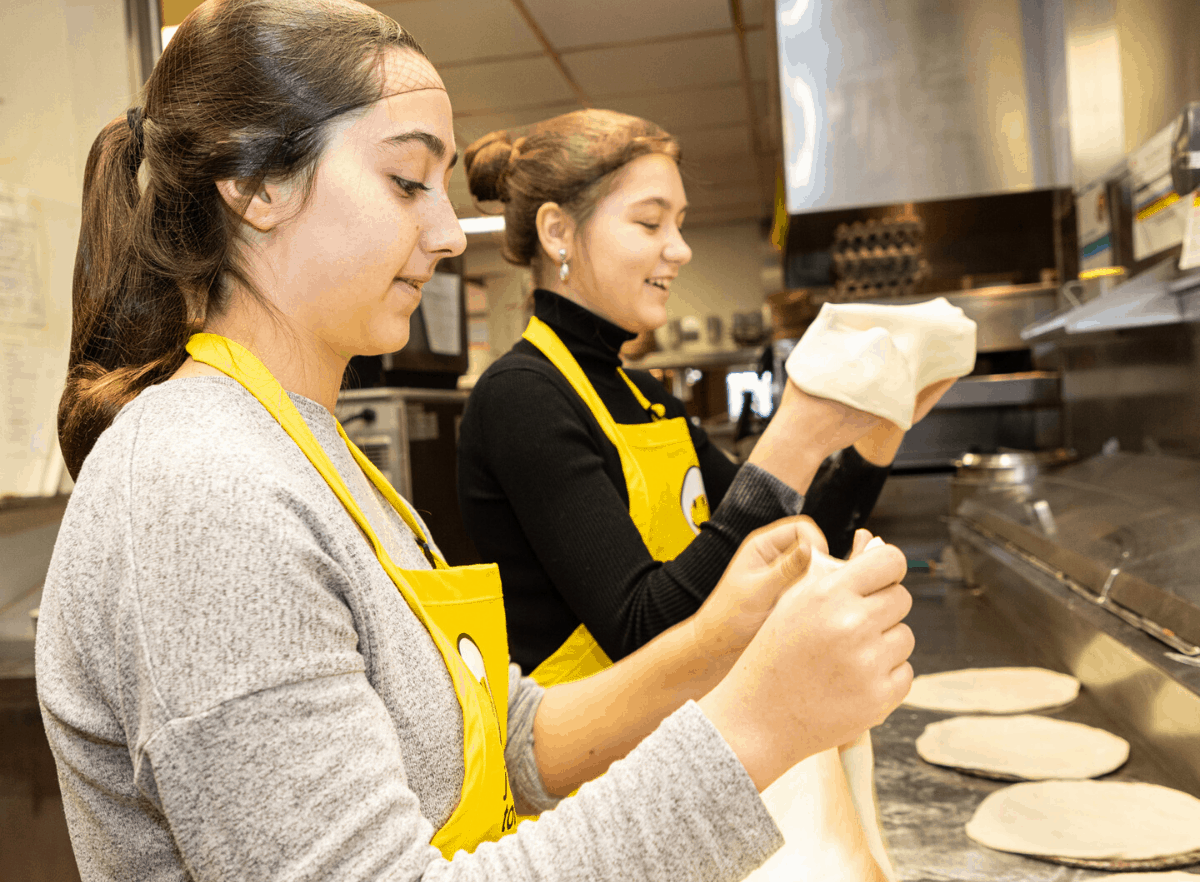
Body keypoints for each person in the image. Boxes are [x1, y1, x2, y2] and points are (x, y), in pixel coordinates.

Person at [36, 1, 915, 880]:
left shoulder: (305, 450)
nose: (451, 235)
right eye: (407, 182)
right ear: (258, 184)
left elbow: (504, 737)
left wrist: (723, 636)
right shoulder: (203, 488)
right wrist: (761, 726)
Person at [458, 110, 952, 683]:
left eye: (681, 224)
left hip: (678, 736)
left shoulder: (646, 398)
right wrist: (791, 439)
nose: (681, 250)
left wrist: (877, 440)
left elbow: (802, 546)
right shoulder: (522, 397)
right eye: (650, 223)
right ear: (558, 232)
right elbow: (643, 632)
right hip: (587, 766)